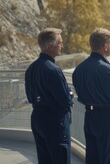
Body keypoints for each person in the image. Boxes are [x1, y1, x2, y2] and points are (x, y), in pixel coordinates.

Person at [72, 28, 110, 164]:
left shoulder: (79, 70)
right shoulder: (107, 70)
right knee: (108, 160)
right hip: (108, 121)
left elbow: (80, 94)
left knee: (92, 159)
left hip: (90, 118)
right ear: (105, 46)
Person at [25, 28, 74, 164]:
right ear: (51, 46)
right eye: (60, 43)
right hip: (55, 122)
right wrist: (70, 93)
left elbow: (30, 97)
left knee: (44, 159)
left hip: (38, 118)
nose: (62, 46)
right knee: (60, 158)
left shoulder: (31, 69)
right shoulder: (53, 70)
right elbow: (65, 101)